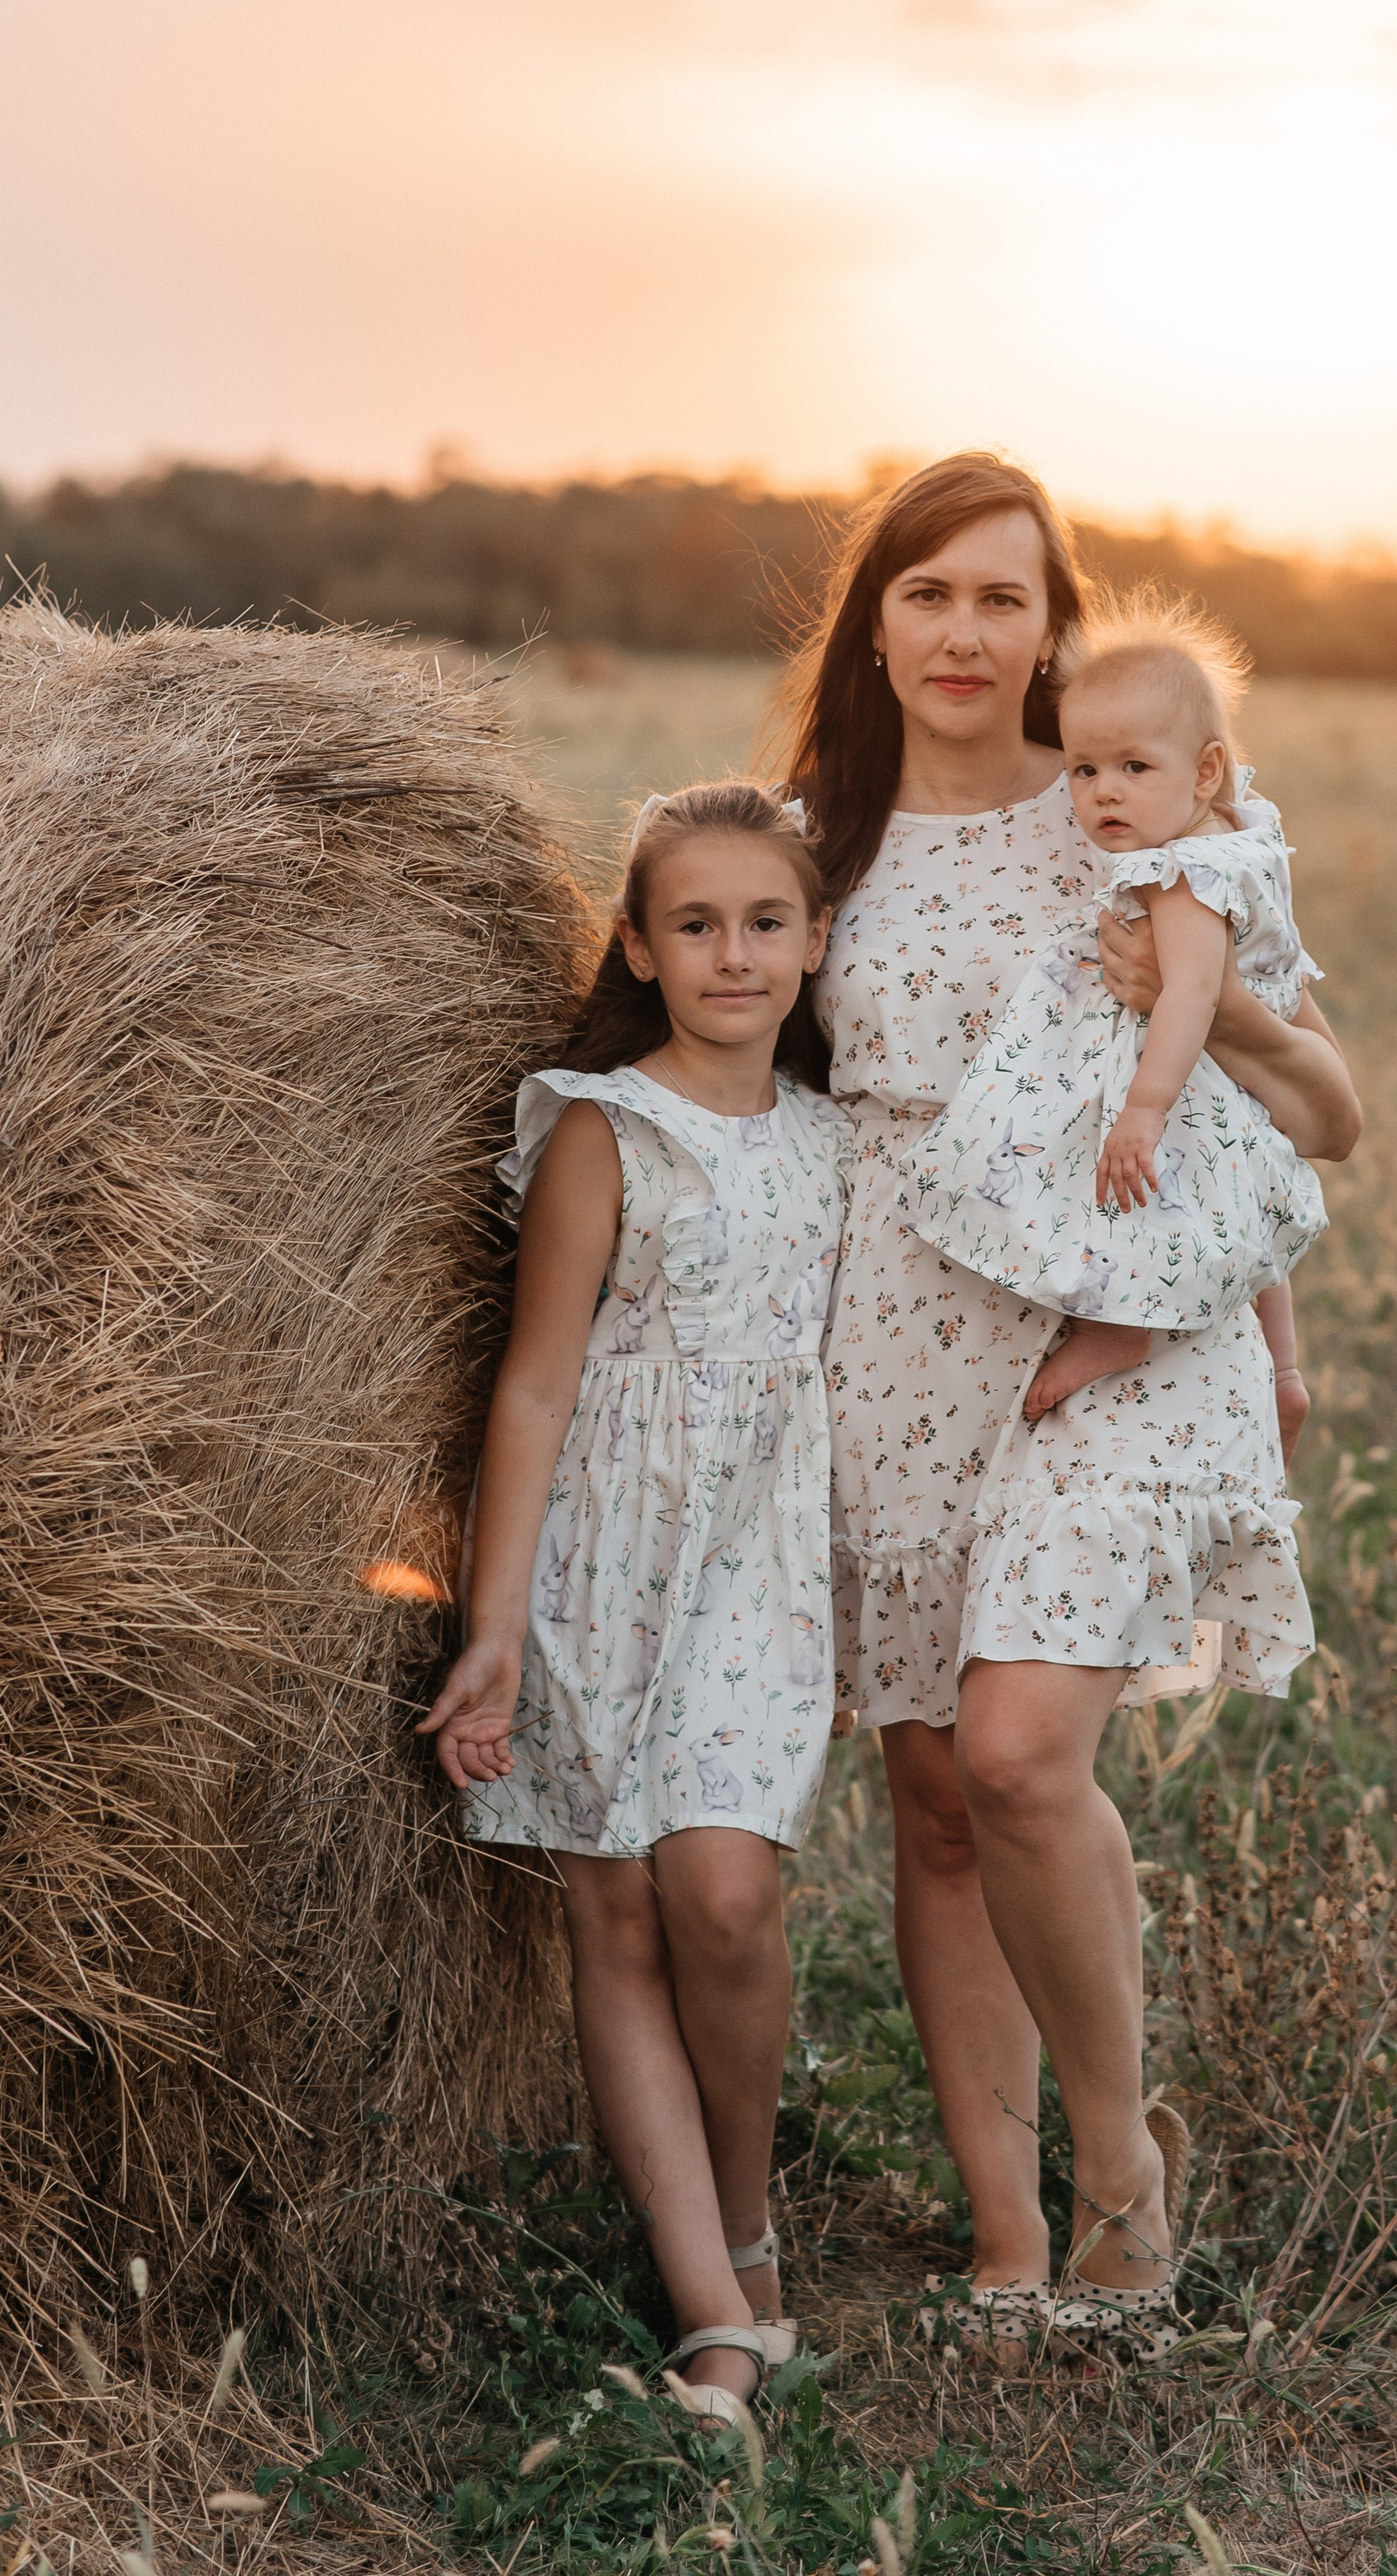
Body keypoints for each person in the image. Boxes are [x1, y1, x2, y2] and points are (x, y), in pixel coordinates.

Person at [778, 454, 1360, 2356]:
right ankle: (1009, 2236)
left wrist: (1260, 1303)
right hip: (890, 1336)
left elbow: (1312, 1104)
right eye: (927, 591)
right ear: (876, 616)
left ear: (1053, 630)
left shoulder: (1127, 807)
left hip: (1120, 1322)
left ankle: (1121, 2173)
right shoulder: (812, 842)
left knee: (1023, 1755)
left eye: (1000, 598)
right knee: (938, 1797)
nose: (961, 630)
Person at [417, 781, 845, 2423]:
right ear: (638, 947)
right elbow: (530, 1389)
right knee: (613, 1910)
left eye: (761, 921)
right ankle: (711, 2317)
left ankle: (741, 2221)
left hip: (755, 1565)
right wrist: (495, 1621)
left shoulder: (833, 1143)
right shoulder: (603, 1125)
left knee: (724, 1898)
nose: (729, 954)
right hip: (602, 1555)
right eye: (692, 923)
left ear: (810, 941)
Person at [904, 590, 1326, 1452]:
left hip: (1180, 1081)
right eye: (1084, 770)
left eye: (1134, 768)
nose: (1103, 793)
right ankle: (1281, 1373)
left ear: (1204, 771)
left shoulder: (1180, 873)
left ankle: (1116, 1322)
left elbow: (1191, 994)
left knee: (1120, 1175)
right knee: (1240, 1214)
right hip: (1233, 1107)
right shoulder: (1241, 833)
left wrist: (1142, 1107)